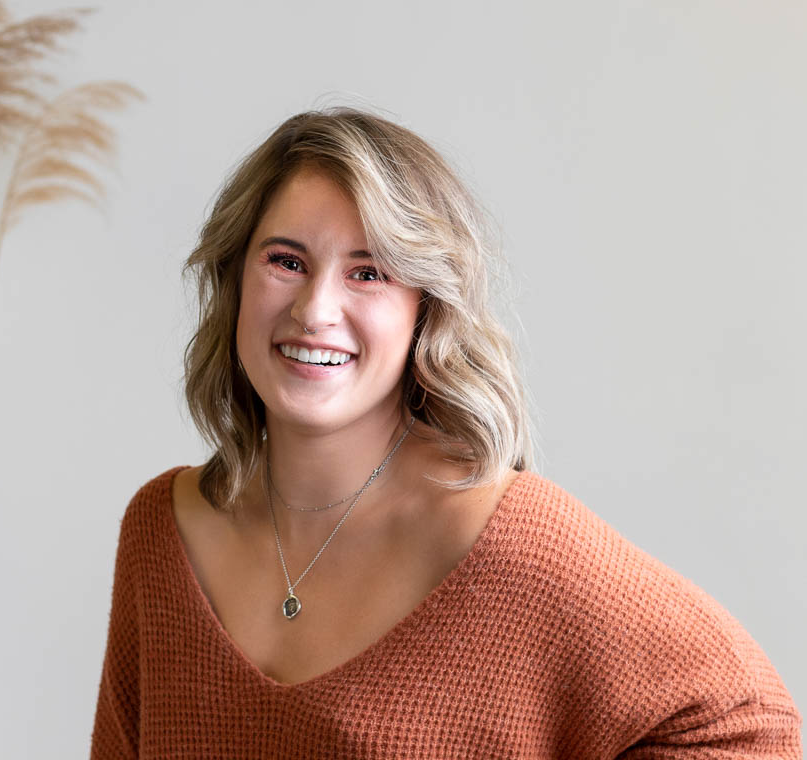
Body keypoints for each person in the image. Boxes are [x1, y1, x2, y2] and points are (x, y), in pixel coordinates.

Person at [90, 108, 801, 758]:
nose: (315, 310)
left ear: (424, 313)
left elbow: (751, 725)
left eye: (368, 273)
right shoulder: (160, 533)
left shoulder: (511, 541)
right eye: (285, 261)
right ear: (235, 279)